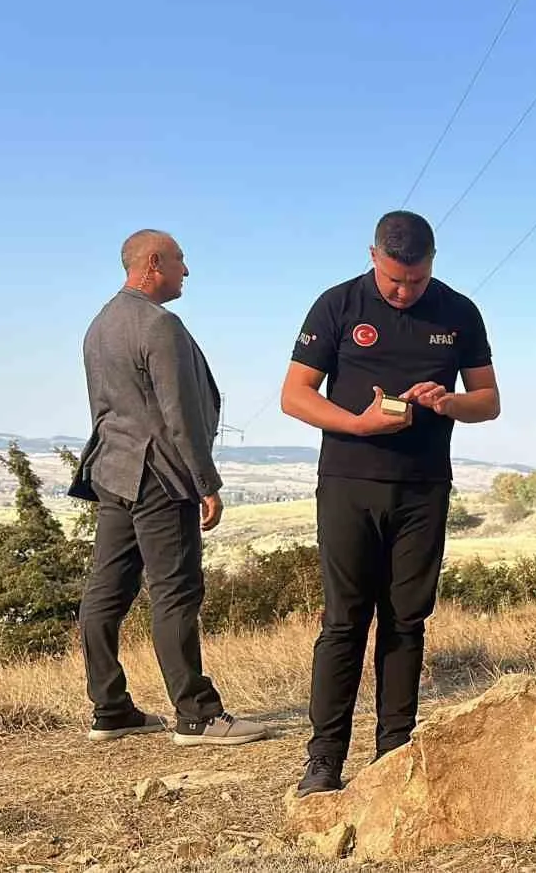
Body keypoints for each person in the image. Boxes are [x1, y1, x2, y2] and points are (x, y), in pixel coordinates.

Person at [284, 210, 499, 797]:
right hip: (350, 482)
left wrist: (450, 402)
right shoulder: (337, 304)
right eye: (394, 281)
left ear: (433, 264)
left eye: (417, 281)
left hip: (424, 487)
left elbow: (489, 402)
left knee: (407, 621)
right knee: (344, 622)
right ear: (373, 256)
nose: (404, 293)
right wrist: (357, 424)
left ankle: (393, 752)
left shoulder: (458, 312)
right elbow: (295, 395)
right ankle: (324, 759)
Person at [69, 229, 268, 748]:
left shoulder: (99, 326)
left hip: (111, 472)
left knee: (105, 593)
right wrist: (205, 482)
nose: (186, 270)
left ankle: (109, 709)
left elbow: (105, 410)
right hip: (160, 475)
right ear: (153, 263)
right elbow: (181, 415)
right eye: (180, 260)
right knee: (175, 591)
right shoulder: (159, 325)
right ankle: (197, 716)